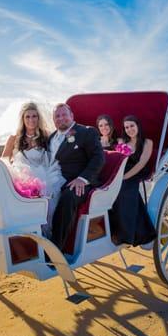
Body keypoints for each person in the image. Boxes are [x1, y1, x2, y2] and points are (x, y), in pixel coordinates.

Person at [49, 103, 104, 252]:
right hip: (53, 179)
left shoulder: (86, 132)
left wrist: (83, 178)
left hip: (79, 181)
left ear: (72, 116)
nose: (61, 118)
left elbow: (98, 158)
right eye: (57, 116)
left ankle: (55, 250)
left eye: (64, 114)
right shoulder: (51, 137)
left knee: (68, 197)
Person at [2, 103, 65, 233]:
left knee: (48, 204)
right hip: (21, 178)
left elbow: (55, 156)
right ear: (23, 119)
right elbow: (4, 160)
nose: (31, 120)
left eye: (34, 116)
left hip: (44, 177)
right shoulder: (14, 138)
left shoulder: (47, 136)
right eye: (28, 117)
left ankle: (46, 236)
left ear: (39, 118)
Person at [110, 115, 157, 246]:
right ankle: (110, 228)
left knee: (124, 189)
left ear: (137, 126)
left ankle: (125, 234)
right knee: (107, 187)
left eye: (132, 126)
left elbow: (141, 163)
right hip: (122, 169)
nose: (129, 129)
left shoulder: (147, 142)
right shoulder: (121, 141)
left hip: (138, 171)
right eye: (126, 127)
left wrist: (124, 177)